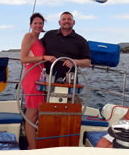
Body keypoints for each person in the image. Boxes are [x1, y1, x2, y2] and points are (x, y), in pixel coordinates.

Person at [20, 12, 55, 150]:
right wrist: (44, 57)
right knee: (32, 115)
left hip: (40, 79)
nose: (38, 25)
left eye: (40, 23)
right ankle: (33, 149)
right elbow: (23, 58)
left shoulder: (40, 40)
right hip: (31, 78)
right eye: (35, 23)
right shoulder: (28, 37)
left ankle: (33, 145)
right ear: (30, 25)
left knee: (38, 113)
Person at [41, 11, 91, 82]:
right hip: (48, 79)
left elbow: (87, 62)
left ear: (73, 22)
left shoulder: (81, 41)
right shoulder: (49, 35)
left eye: (69, 19)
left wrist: (74, 61)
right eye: (64, 19)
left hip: (70, 81)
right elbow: (36, 47)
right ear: (59, 22)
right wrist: (28, 59)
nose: (66, 21)